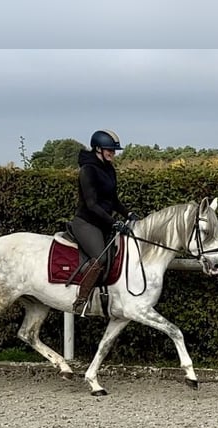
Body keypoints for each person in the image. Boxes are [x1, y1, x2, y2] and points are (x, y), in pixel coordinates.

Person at [69, 129, 139, 315]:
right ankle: (81, 301)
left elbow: (113, 200)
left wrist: (128, 213)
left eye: (114, 151)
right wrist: (113, 222)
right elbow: (91, 205)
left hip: (104, 222)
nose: (113, 154)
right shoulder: (87, 170)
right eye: (110, 150)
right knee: (101, 258)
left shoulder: (109, 169)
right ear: (98, 149)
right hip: (87, 222)